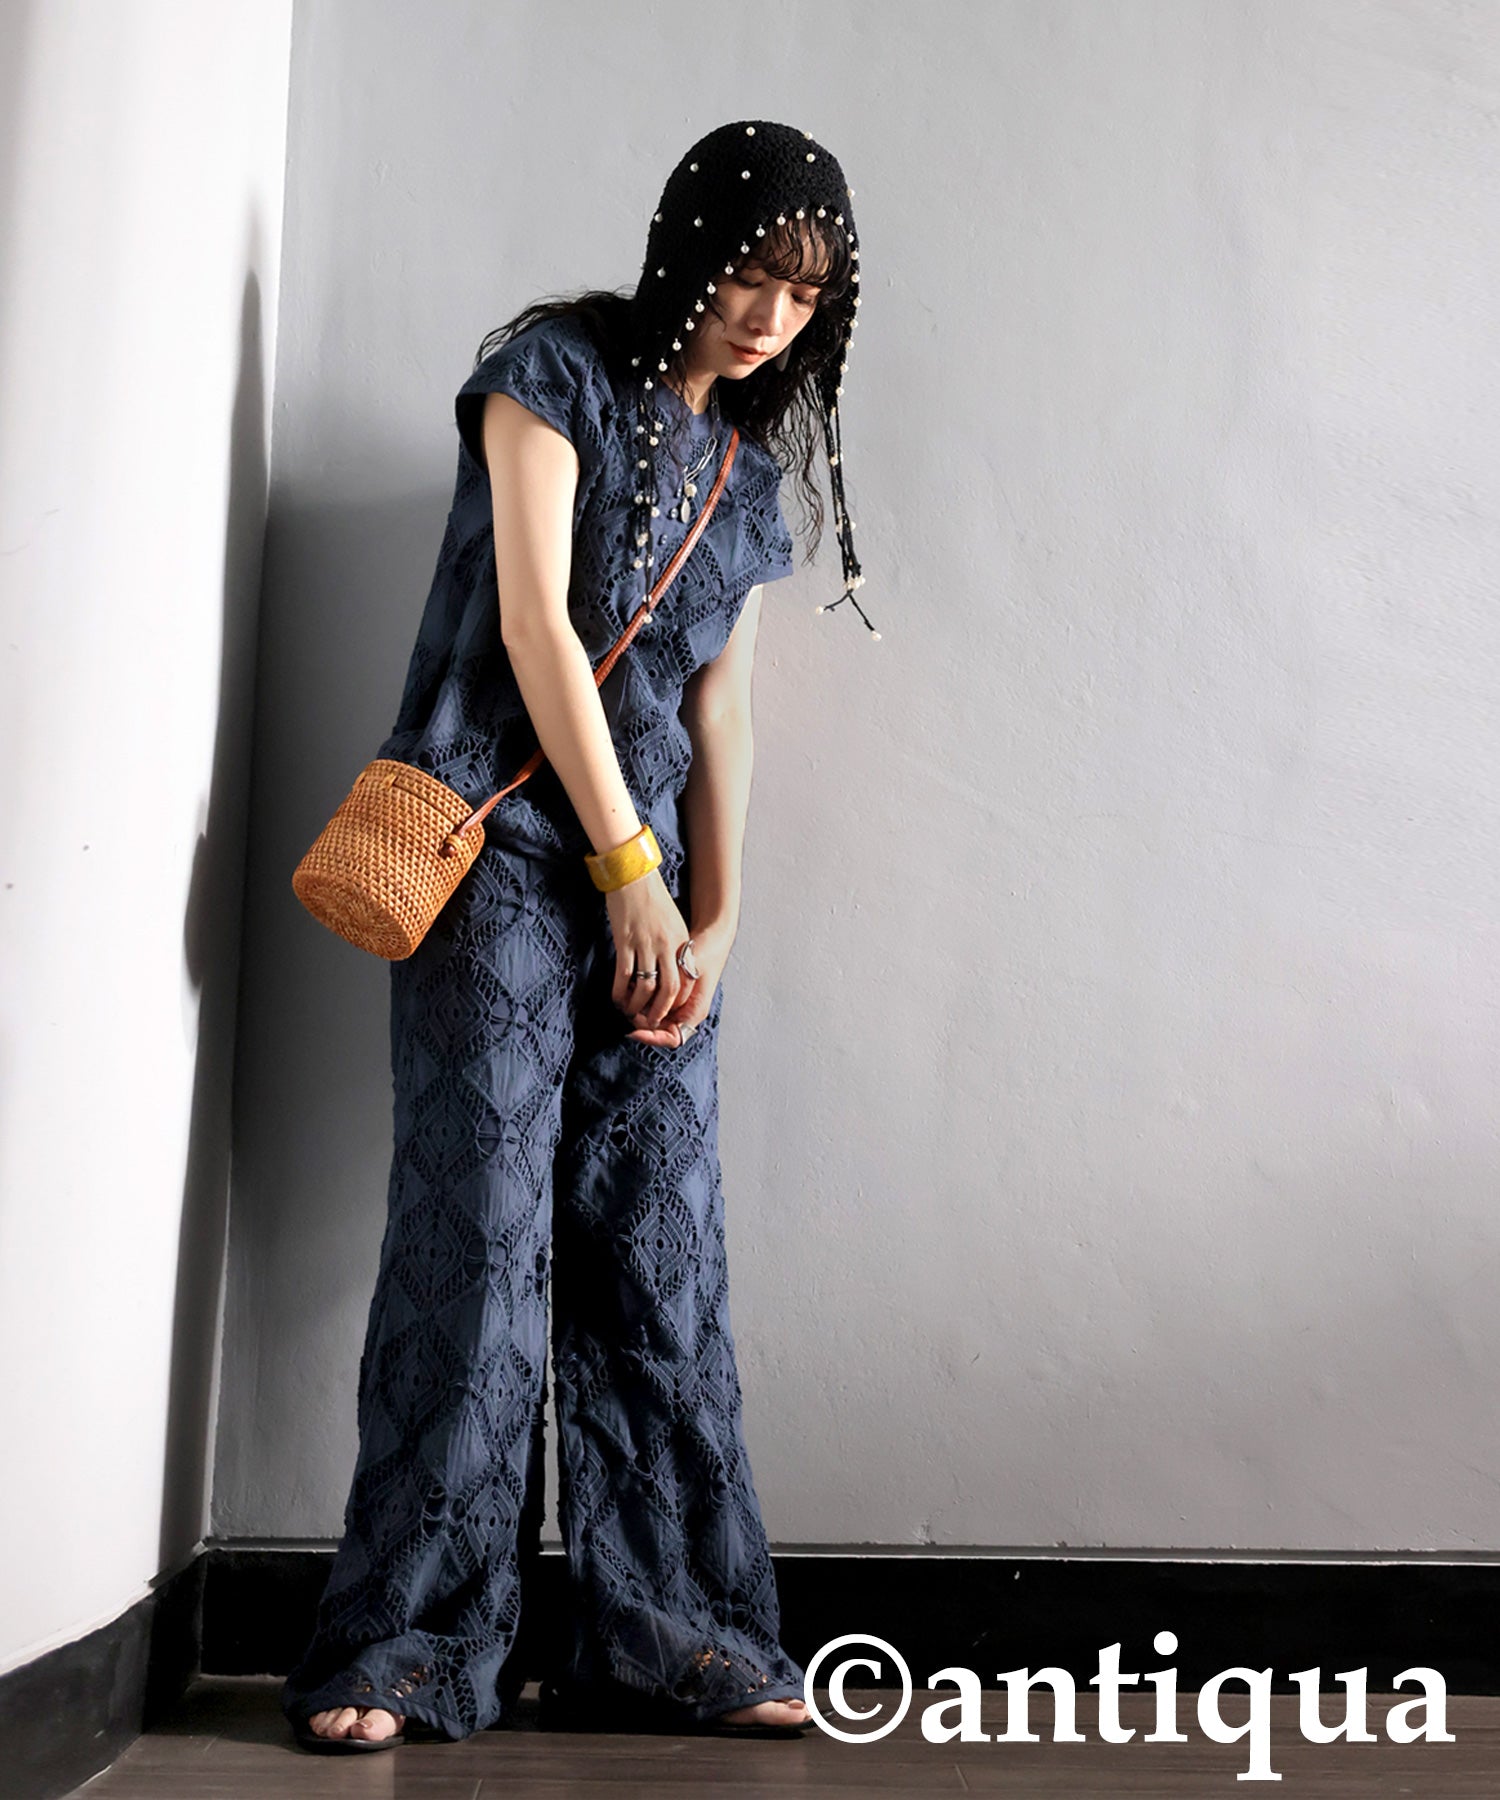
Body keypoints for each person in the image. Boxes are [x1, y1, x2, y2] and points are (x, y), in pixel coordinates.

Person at [282, 118, 871, 1755]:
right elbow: (537, 623)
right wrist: (623, 863)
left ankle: (680, 1641)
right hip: (498, 859)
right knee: (476, 1243)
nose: (769, 317)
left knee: (654, 1256)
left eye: (805, 296)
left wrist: (717, 913)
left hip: (655, 899)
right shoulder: (549, 373)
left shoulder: (749, 477)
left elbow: (720, 705)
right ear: (690, 244)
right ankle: (405, 1646)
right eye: (752, 273)